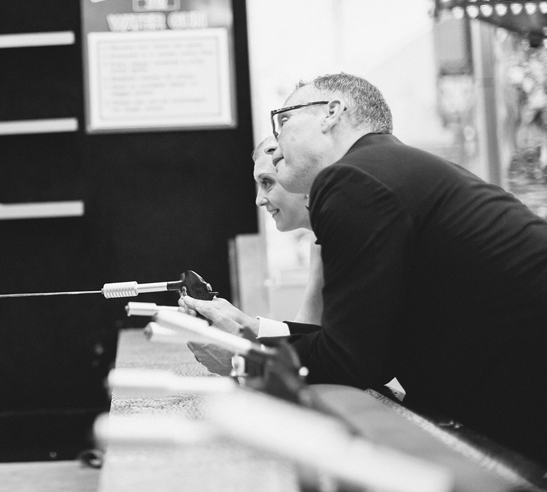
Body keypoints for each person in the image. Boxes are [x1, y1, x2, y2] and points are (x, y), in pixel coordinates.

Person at [184, 73, 547, 468]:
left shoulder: (351, 178)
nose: (275, 144)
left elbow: (347, 362)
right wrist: (249, 335)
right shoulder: (386, 168)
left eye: (283, 120)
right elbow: (370, 349)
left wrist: (242, 356)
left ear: (332, 113)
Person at [187, 136, 323, 375]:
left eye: (267, 182)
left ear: (304, 179)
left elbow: (348, 355)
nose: (259, 200)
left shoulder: (340, 235)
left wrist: (243, 361)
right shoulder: (318, 240)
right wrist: (244, 323)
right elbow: (308, 333)